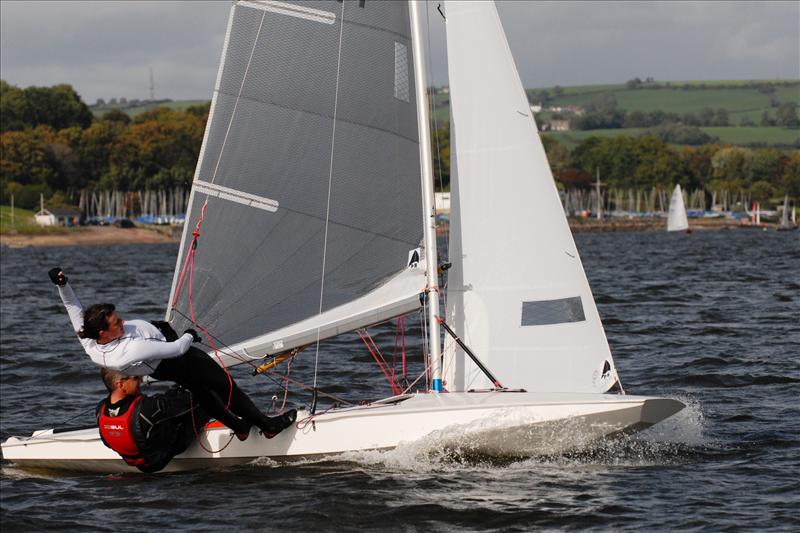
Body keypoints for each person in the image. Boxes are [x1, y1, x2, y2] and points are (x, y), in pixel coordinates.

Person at [49, 267, 295, 440]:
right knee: (224, 384)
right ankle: (268, 425)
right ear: (103, 333)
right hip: (175, 359)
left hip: (163, 362)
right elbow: (177, 349)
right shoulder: (128, 350)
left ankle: (239, 427)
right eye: (117, 323)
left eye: (119, 318)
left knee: (201, 390)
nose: (122, 322)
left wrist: (63, 285)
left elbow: (73, 308)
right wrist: (189, 334)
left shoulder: (91, 341)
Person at [97, 367, 210, 473]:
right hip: (159, 458)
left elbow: (108, 443)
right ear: (121, 384)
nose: (141, 381)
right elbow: (187, 401)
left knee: (167, 401)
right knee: (200, 400)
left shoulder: (100, 410)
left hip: (136, 461)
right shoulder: (148, 407)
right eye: (136, 378)